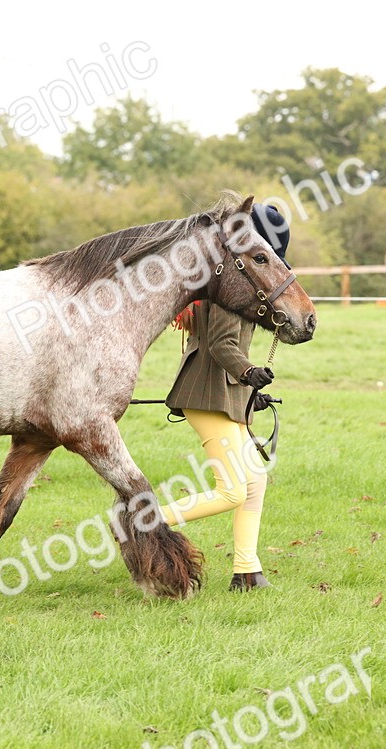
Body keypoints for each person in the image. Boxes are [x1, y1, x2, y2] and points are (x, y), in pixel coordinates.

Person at [160, 203, 287, 592]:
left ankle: (246, 570)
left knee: (255, 482)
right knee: (232, 490)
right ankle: (143, 522)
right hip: (207, 395)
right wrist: (249, 373)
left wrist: (251, 391)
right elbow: (220, 344)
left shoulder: (242, 281)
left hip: (225, 395)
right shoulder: (234, 288)